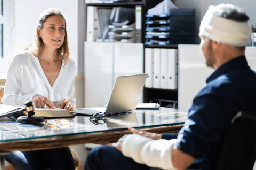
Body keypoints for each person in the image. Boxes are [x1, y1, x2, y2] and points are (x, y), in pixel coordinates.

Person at [84, 3, 256, 170]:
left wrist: (132, 144)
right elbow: (204, 140)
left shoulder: (215, 93)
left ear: (216, 42)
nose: (202, 46)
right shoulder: (250, 84)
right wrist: (156, 137)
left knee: (99, 155)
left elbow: (179, 159)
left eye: (204, 39)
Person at [2, 8, 76, 170]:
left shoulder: (70, 65)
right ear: (39, 31)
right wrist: (31, 100)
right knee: (34, 168)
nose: (58, 33)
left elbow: (71, 102)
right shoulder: (21, 60)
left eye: (61, 28)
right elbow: (7, 99)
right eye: (52, 27)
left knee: (66, 167)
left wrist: (68, 106)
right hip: (19, 137)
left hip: (51, 136)